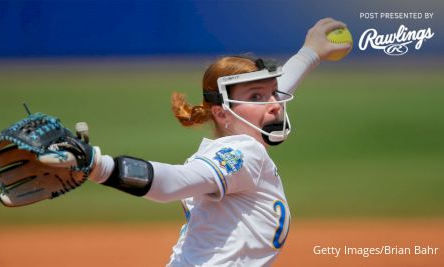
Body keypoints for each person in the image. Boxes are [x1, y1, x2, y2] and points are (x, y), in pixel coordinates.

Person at [87, 18, 350, 267]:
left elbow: (275, 93)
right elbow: (171, 183)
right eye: (257, 96)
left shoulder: (222, 149)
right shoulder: (243, 153)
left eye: (272, 94)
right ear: (222, 113)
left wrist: (309, 53)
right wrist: (99, 166)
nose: (274, 105)